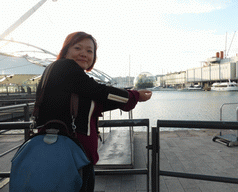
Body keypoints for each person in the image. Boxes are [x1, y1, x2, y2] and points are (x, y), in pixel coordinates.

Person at [35, 31, 152, 191]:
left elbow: (98, 102)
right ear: (66, 50)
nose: (84, 54)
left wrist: (130, 96)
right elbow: (100, 91)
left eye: (89, 51)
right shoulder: (65, 67)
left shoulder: (66, 75)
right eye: (78, 48)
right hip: (70, 157)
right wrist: (133, 95)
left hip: (72, 156)